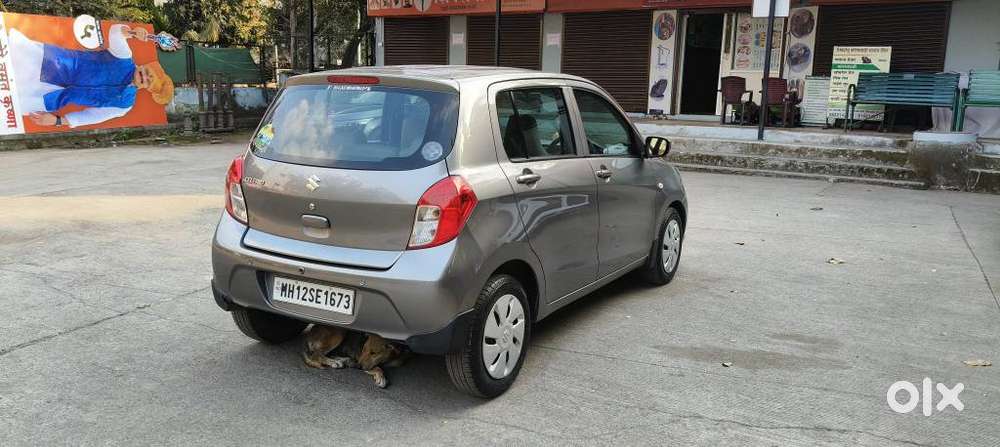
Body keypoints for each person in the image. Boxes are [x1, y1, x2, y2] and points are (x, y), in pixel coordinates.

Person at [8, 23, 174, 128]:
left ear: (147, 87)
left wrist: (56, 121)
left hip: (49, 96)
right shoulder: (124, 57)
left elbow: (89, 117)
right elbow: (116, 32)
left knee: (7, 97)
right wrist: (132, 33)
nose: (145, 77)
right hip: (49, 62)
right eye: (147, 72)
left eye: (148, 81)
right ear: (144, 66)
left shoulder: (124, 105)